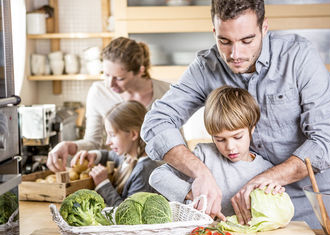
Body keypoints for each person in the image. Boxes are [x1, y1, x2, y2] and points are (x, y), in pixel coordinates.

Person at [141, 0, 330, 228]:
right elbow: (156, 122)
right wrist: (200, 174)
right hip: (252, 208)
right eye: (225, 41)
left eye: (247, 40)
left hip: (317, 199)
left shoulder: (299, 57)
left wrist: (267, 178)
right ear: (214, 32)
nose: (235, 54)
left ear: (264, 28)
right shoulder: (205, 68)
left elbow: (328, 141)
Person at [150, 86, 284, 216]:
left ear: (252, 129)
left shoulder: (266, 170)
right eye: (220, 139)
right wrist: (193, 193)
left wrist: (276, 196)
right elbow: (157, 176)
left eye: (237, 137)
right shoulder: (204, 155)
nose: (230, 147)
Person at [47, 37, 170, 172]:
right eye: (106, 74)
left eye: (119, 78)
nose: (110, 84)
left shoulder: (166, 92)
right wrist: (67, 146)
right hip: (120, 177)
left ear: (140, 71)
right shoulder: (99, 92)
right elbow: (93, 142)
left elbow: (175, 143)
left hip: (162, 175)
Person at [71, 101, 160, 207]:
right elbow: (110, 155)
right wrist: (93, 155)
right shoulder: (127, 155)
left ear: (133, 134)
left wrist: (103, 184)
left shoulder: (144, 171)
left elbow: (128, 216)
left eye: (112, 135)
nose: (107, 142)